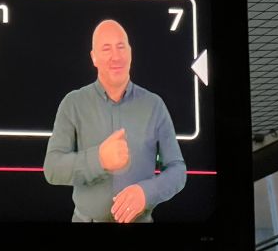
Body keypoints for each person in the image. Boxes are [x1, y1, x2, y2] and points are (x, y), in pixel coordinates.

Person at [43, 19, 186, 223]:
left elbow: (177, 170)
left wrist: (147, 192)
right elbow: (52, 168)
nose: (116, 56)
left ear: (130, 52)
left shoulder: (155, 105)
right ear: (94, 57)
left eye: (121, 47)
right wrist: (99, 159)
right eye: (106, 49)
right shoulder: (72, 103)